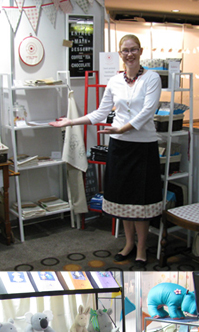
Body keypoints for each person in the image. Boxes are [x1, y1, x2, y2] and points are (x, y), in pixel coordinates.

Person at [50, 34, 162, 268]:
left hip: (143, 148)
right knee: (123, 199)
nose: (129, 54)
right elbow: (100, 113)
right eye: (125, 50)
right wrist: (71, 122)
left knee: (140, 200)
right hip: (119, 147)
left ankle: (142, 248)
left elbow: (147, 112)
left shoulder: (152, 78)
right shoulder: (115, 81)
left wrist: (121, 128)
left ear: (141, 51)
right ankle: (129, 244)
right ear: (120, 54)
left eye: (133, 49)